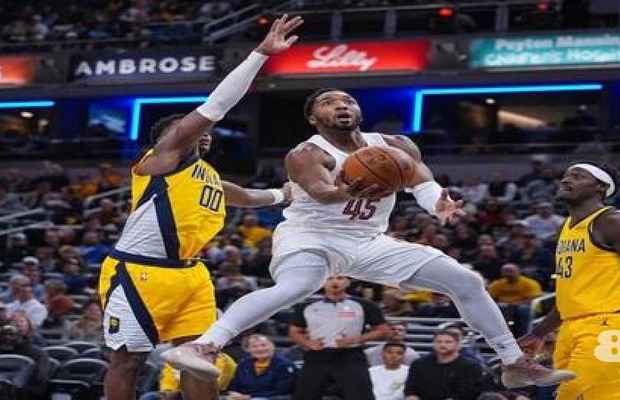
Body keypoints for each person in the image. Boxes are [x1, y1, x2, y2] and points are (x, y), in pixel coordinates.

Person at [163, 88, 575, 389]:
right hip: (311, 235)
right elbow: (321, 193)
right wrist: (346, 190)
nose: (341, 105)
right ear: (314, 118)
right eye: (329, 102)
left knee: (465, 280)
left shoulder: (394, 145)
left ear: (358, 110)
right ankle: (203, 346)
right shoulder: (306, 153)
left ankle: (513, 362)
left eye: (347, 100)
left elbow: (422, 181)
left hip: (369, 239)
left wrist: (437, 205)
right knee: (296, 286)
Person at [99, 15, 302, 400]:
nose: (203, 132)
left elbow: (243, 196)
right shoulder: (159, 160)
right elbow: (216, 105)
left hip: (192, 275)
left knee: (201, 358)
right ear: (170, 138)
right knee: (128, 361)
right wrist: (260, 54)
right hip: (140, 271)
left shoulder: (206, 174)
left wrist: (282, 194)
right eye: (193, 128)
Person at [519, 162, 620, 399]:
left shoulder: (615, 222)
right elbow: (570, 295)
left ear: (601, 187)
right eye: (566, 176)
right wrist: (538, 333)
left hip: (615, 326)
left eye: (578, 176)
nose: (566, 180)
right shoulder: (565, 228)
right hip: (573, 327)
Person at [288, 276, 389, 400]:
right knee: (304, 395)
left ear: (348, 282)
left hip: (350, 356)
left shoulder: (365, 305)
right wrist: (308, 343)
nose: (334, 282)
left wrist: (356, 339)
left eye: (340, 278)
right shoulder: (306, 307)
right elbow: (294, 332)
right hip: (317, 356)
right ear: (322, 282)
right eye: (329, 278)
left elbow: (383, 330)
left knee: (362, 395)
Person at [404, 329, 484, 400]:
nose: (442, 345)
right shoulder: (419, 364)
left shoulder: (470, 367)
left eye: (448, 342)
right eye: (439, 342)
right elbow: (411, 389)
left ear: (458, 345)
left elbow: (467, 393)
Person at [226, 334, 297, 400]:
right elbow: (235, 386)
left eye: (264, 345)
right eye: (254, 346)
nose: (259, 349)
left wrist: (250, 397)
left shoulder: (284, 365)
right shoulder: (243, 364)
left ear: (272, 346)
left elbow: (282, 391)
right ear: (248, 349)